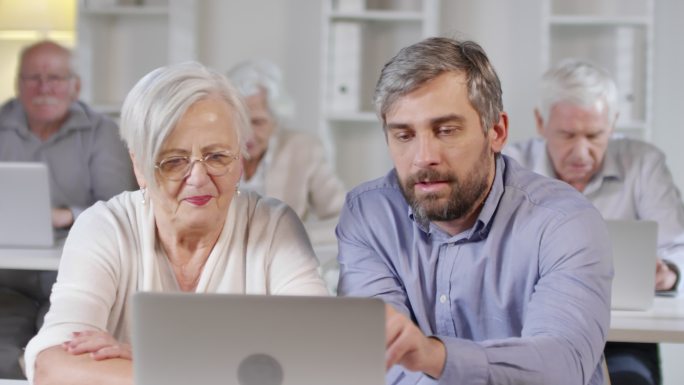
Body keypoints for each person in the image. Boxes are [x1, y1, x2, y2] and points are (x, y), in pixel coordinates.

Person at [23, 62, 328, 384]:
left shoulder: (274, 226)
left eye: (217, 157)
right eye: (173, 161)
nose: (198, 179)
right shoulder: (105, 226)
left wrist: (154, 365)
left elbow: (318, 360)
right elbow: (52, 366)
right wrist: (231, 371)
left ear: (240, 158)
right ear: (139, 166)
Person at [336, 37, 613, 385]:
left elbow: (560, 364)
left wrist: (435, 356)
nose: (424, 157)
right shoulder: (368, 214)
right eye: (404, 136)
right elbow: (375, 356)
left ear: (496, 131)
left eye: (446, 130)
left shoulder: (565, 222)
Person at [505, 59, 684, 385]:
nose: (581, 151)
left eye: (594, 135)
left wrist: (668, 273)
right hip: (531, 327)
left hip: (622, 337)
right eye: (567, 135)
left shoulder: (644, 164)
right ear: (539, 122)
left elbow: (677, 250)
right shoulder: (510, 167)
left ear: (613, 123)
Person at [0, 40, 134, 379]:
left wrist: (67, 214)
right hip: (6, 276)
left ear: (76, 86)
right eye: (33, 78)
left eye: (55, 77)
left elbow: (121, 206)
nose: (44, 87)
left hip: (73, 275)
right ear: (18, 84)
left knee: (64, 348)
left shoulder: (103, 132)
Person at [226, 60, 346, 222]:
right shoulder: (210, 152)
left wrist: (300, 239)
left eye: (258, 122)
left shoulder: (304, 150)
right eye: (238, 121)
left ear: (276, 120)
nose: (247, 135)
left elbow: (343, 217)